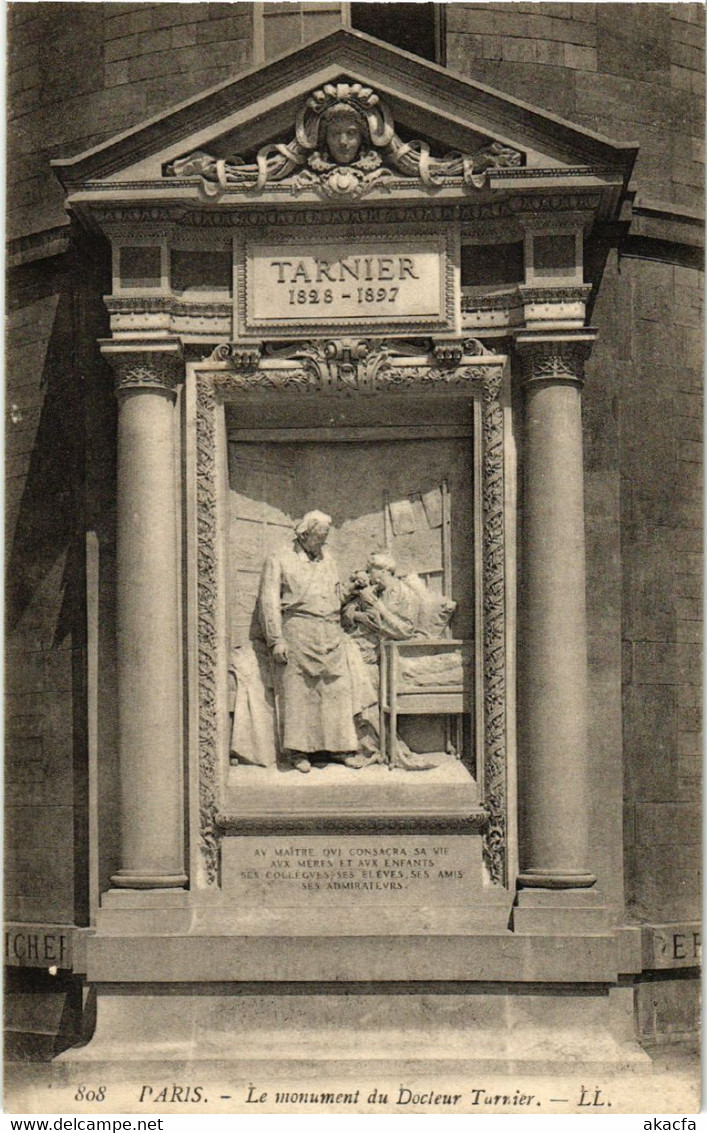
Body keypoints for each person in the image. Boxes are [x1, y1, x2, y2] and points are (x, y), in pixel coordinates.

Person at [258, 511, 359, 773]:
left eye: (325, 538)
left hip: (330, 632)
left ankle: (338, 749)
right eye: (319, 537)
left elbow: (335, 596)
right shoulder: (279, 559)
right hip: (298, 632)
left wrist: (353, 591)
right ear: (304, 534)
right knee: (299, 692)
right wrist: (276, 639)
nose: (322, 543)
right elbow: (269, 602)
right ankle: (298, 752)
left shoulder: (329, 559)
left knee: (335, 690)